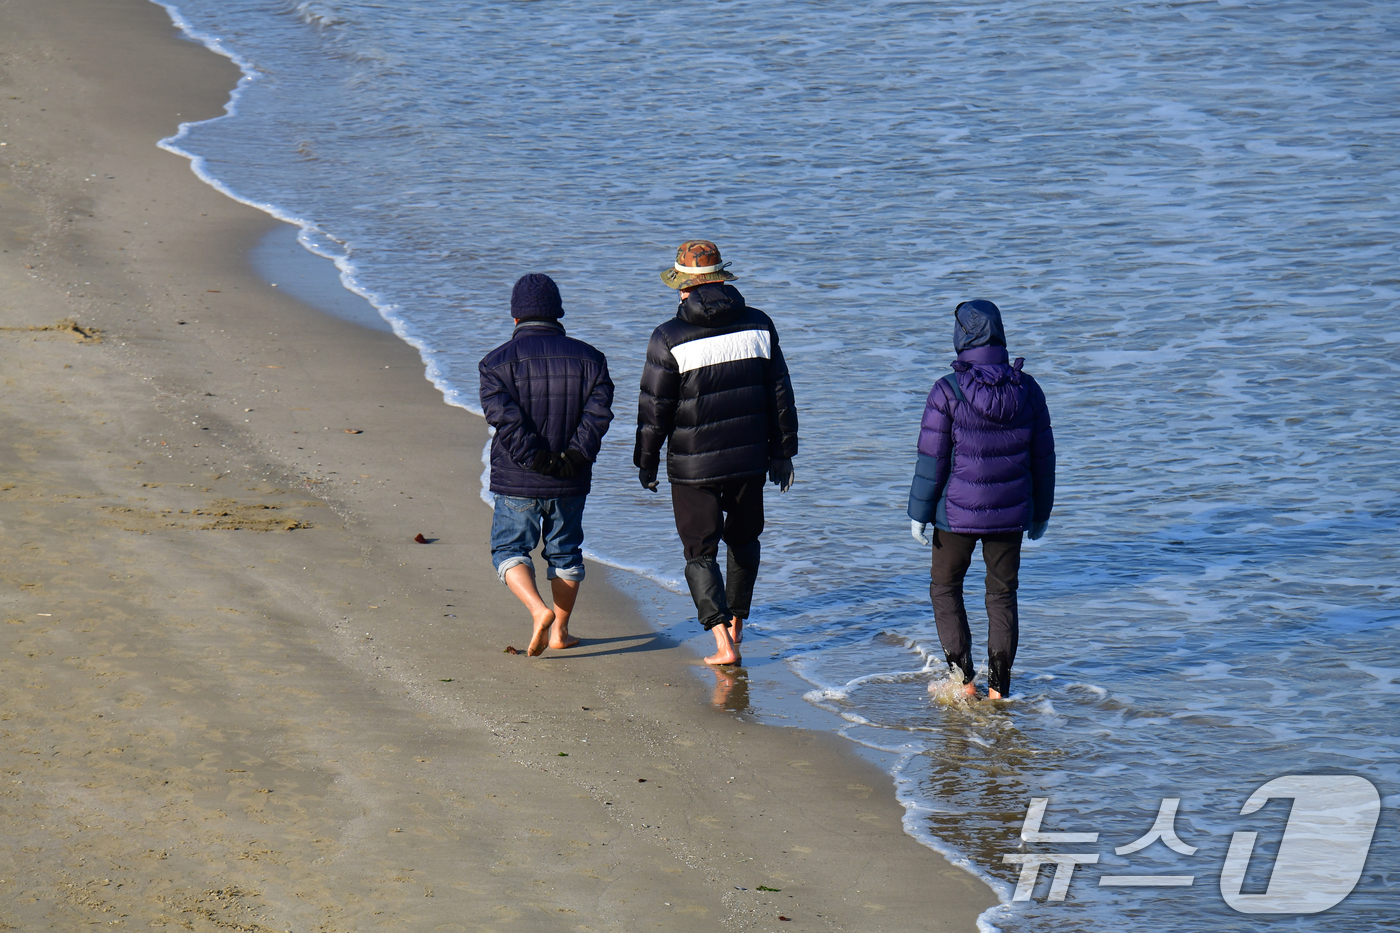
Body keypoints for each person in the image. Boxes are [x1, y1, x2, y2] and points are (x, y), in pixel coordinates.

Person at [635, 240, 799, 666]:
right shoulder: (760, 325)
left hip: (693, 467)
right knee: (744, 539)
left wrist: (647, 462)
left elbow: (655, 411)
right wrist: (784, 453)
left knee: (700, 551)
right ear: (723, 281)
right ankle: (738, 623)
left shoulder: (667, 337)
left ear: (684, 289)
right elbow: (780, 394)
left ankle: (723, 644)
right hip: (750, 461)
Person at [907, 299, 1054, 700]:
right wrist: (1041, 512)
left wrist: (919, 513)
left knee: (944, 588)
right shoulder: (1028, 388)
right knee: (1002, 594)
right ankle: (999, 691)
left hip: (954, 516)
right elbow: (1043, 458)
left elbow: (931, 460)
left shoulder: (947, 390)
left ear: (960, 337)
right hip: (1010, 515)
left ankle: (964, 680)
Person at [479, 273, 614, 656]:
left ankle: (539, 611)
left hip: (517, 477)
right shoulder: (592, 359)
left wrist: (535, 458)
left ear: (516, 317)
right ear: (558, 313)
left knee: (508, 549)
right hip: (570, 479)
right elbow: (598, 416)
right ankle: (561, 632)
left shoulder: (495, 363)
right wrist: (573, 456)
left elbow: (504, 420)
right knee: (565, 552)